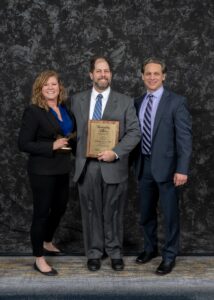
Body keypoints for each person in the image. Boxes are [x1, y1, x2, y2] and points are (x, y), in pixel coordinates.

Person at [70, 56, 141, 271]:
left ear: (111, 74)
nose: (103, 74)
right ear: (91, 74)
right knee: (90, 210)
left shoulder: (125, 101)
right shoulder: (76, 100)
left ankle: (115, 252)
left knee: (114, 211)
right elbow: (71, 131)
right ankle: (94, 252)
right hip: (87, 165)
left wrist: (116, 152)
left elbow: (135, 132)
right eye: (99, 71)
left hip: (113, 165)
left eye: (107, 71)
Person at [134, 57, 192, 275]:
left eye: (156, 73)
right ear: (142, 76)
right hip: (144, 165)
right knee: (146, 213)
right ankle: (150, 248)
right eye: (148, 73)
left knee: (170, 215)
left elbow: (185, 139)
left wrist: (182, 168)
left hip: (169, 169)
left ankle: (169, 256)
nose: (152, 77)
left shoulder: (176, 102)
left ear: (164, 76)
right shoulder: (138, 102)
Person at [18, 70, 76, 276]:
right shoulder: (33, 111)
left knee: (60, 208)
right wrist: (51, 146)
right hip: (42, 170)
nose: (51, 88)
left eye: (54, 84)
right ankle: (39, 258)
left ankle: (47, 240)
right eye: (46, 85)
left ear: (60, 87)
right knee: (42, 213)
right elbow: (23, 143)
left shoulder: (63, 109)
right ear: (39, 89)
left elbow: (69, 136)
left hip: (62, 168)